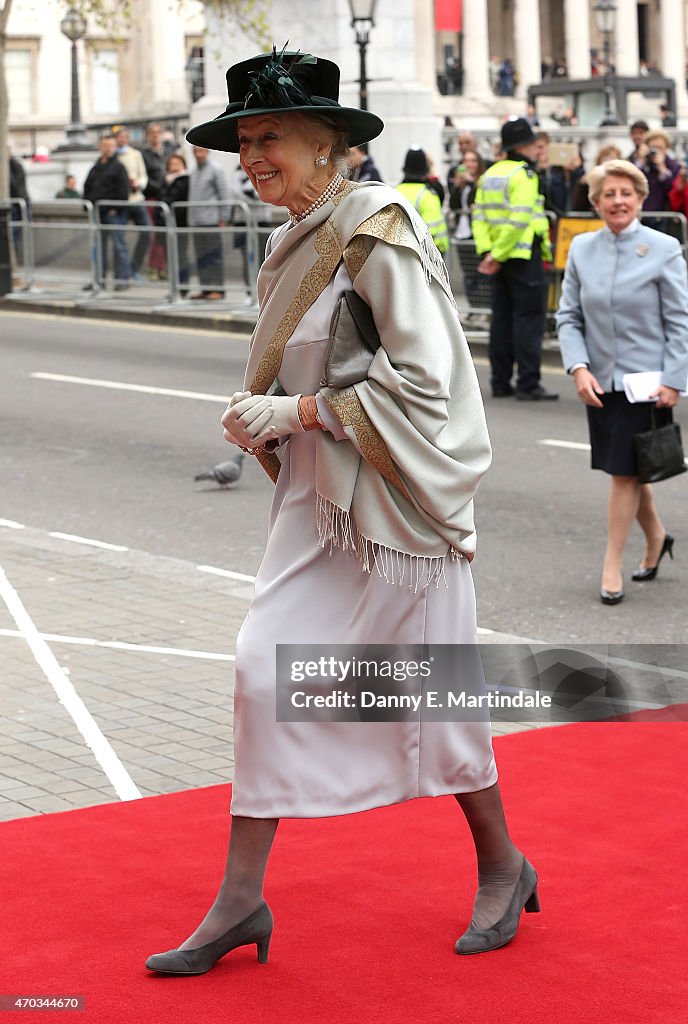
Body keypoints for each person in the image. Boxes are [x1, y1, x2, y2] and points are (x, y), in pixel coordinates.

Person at [145, 46, 540, 976]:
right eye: (243, 140)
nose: (249, 157)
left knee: (432, 700)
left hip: (397, 509)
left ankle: (502, 862)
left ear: (326, 145)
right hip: (319, 504)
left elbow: (433, 384)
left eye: (267, 136)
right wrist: (272, 423)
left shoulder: (377, 227)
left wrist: (303, 411)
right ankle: (243, 897)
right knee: (261, 674)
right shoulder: (298, 234)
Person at [556, 160, 688, 604]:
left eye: (626, 193)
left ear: (640, 199)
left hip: (648, 387)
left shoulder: (664, 247)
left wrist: (674, 380)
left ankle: (611, 563)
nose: (618, 201)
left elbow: (680, 321)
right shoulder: (582, 248)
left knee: (623, 474)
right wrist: (577, 367)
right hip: (599, 382)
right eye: (608, 194)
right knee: (630, 468)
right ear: (595, 203)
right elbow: (569, 316)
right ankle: (658, 538)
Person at [472, 117, 558, 400]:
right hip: (522, 256)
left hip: (497, 259)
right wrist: (499, 254)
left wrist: (489, 253)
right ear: (523, 146)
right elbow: (519, 219)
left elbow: (479, 218)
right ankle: (528, 383)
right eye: (534, 144)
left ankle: (500, 381)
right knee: (528, 320)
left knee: (502, 320)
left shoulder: (489, 175)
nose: (537, 149)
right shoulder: (524, 175)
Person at [82, 134, 131, 290]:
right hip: (98, 213)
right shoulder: (96, 167)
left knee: (119, 247)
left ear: (114, 147)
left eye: (110, 145)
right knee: (99, 249)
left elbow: (124, 192)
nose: (107, 148)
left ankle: (122, 280)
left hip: (113, 214)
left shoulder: (118, 167)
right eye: (104, 145)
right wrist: (86, 205)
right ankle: (99, 280)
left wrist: (114, 208)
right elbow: (87, 187)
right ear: (100, 147)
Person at [188, 145, 231, 299]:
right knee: (201, 257)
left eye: (201, 151)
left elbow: (225, 194)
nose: (198, 154)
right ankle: (206, 288)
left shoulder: (216, 169)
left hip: (212, 220)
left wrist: (224, 218)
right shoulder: (193, 172)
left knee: (213, 256)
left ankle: (218, 290)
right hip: (196, 221)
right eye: (195, 151)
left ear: (207, 152)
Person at [448, 149, 486, 311]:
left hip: (477, 233)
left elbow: (476, 202)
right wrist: (458, 186)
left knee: (480, 273)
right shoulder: (462, 185)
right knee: (468, 273)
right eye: (466, 160)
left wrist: (471, 183)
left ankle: (482, 307)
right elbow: (453, 205)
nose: (469, 164)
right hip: (462, 232)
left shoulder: (482, 182)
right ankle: (473, 307)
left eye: (473, 160)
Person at [395, 147, 449, 257]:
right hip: (428, 255)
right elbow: (434, 229)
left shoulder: (394, 192)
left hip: (401, 254)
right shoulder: (428, 194)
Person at [114, 127, 151, 282]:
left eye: (125, 136)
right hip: (120, 203)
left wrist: (138, 184)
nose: (123, 139)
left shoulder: (135, 154)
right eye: (120, 137)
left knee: (147, 233)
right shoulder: (113, 156)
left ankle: (135, 268)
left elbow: (143, 176)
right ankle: (123, 272)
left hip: (136, 199)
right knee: (119, 240)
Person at [159, 152, 190, 298]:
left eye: (177, 163)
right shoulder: (165, 180)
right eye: (172, 164)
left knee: (180, 255)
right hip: (166, 224)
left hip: (180, 224)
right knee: (169, 256)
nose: (175, 166)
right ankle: (173, 287)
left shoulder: (186, 179)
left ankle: (183, 286)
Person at [631, 129, 680, 213]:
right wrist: (641, 159)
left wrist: (662, 167)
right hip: (642, 212)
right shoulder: (643, 163)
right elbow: (632, 180)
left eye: (660, 148)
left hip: (664, 215)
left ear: (666, 148)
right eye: (653, 147)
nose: (656, 151)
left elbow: (672, 189)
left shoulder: (673, 165)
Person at [570, 145, 622, 211]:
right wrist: (583, 185)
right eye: (606, 159)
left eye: (613, 159)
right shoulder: (589, 181)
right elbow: (578, 206)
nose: (609, 162)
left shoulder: (623, 182)